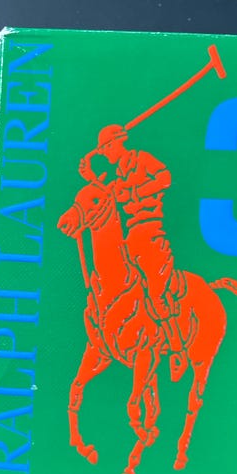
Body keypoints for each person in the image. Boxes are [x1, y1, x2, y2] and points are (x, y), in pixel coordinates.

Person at [79, 124, 187, 380]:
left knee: (156, 293)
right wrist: (90, 176)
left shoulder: (141, 159)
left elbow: (165, 178)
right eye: (102, 151)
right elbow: (106, 197)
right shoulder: (118, 175)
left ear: (117, 143)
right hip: (130, 239)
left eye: (106, 148)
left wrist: (136, 192)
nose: (105, 154)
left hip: (151, 234)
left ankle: (177, 349)